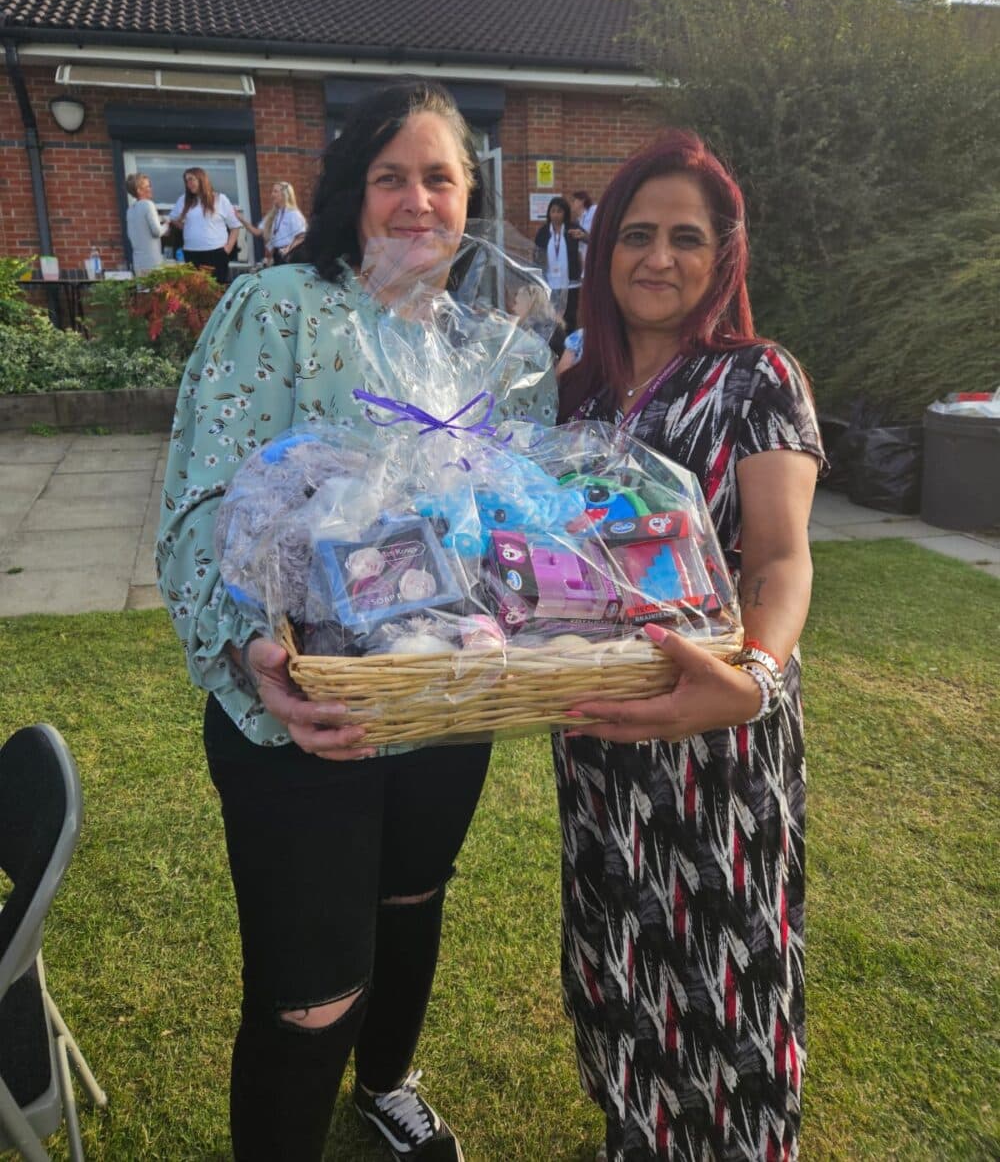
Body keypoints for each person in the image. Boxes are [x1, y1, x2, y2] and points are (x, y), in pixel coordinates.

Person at [156, 79, 556, 1162]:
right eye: (392, 176)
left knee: (411, 899)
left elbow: (520, 514)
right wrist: (255, 654)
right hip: (305, 702)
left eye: (440, 177)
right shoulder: (279, 305)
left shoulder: (490, 347)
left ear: (471, 196)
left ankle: (385, 1084)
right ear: (352, 192)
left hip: (440, 694)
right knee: (310, 989)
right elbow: (198, 503)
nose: (416, 200)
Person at [556, 130, 825, 1162]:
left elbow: (781, 563)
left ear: (724, 258)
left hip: (720, 729)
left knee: (725, 962)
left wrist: (753, 679)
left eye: (684, 238)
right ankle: (638, 1129)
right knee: (615, 948)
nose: (656, 258)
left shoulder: (756, 378)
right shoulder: (576, 393)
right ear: (602, 252)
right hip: (599, 732)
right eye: (634, 234)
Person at [168, 167, 242, 284]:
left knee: (218, 290)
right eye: (186, 181)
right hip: (191, 253)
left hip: (216, 254)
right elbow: (173, 219)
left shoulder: (220, 199)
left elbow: (235, 226)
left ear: (201, 179)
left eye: (192, 179)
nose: (189, 184)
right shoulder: (183, 200)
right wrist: (188, 228)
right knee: (196, 293)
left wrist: (227, 248)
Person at [534, 195, 582, 330]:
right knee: (550, 317)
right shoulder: (543, 232)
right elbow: (537, 255)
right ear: (549, 213)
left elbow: (590, 241)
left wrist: (583, 236)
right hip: (550, 283)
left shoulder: (573, 229)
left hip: (570, 283)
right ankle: (554, 346)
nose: (555, 215)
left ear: (565, 213)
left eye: (559, 211)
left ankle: (569, 346)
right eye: (553, 211)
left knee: (569, 317)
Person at [237, 180, 307, 266]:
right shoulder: (273, 214)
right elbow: (257, 232)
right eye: (272, 191)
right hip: (276, 255)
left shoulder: (293, 214)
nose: (272, 195)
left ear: (284, 195)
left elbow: (302, 237)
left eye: (276, 191)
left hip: (290, 255)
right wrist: (241, 219)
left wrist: (288, 250)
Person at [124, 172, 169, 273]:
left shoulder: (130, 210)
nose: (150, 188)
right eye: (148, 186)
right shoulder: (148, 204)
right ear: (139, 190)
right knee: (156, 288)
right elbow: (157, 231)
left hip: (138, 262)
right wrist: (167, 224)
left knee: (143, 289)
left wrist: (160, 218)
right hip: (152, 261)